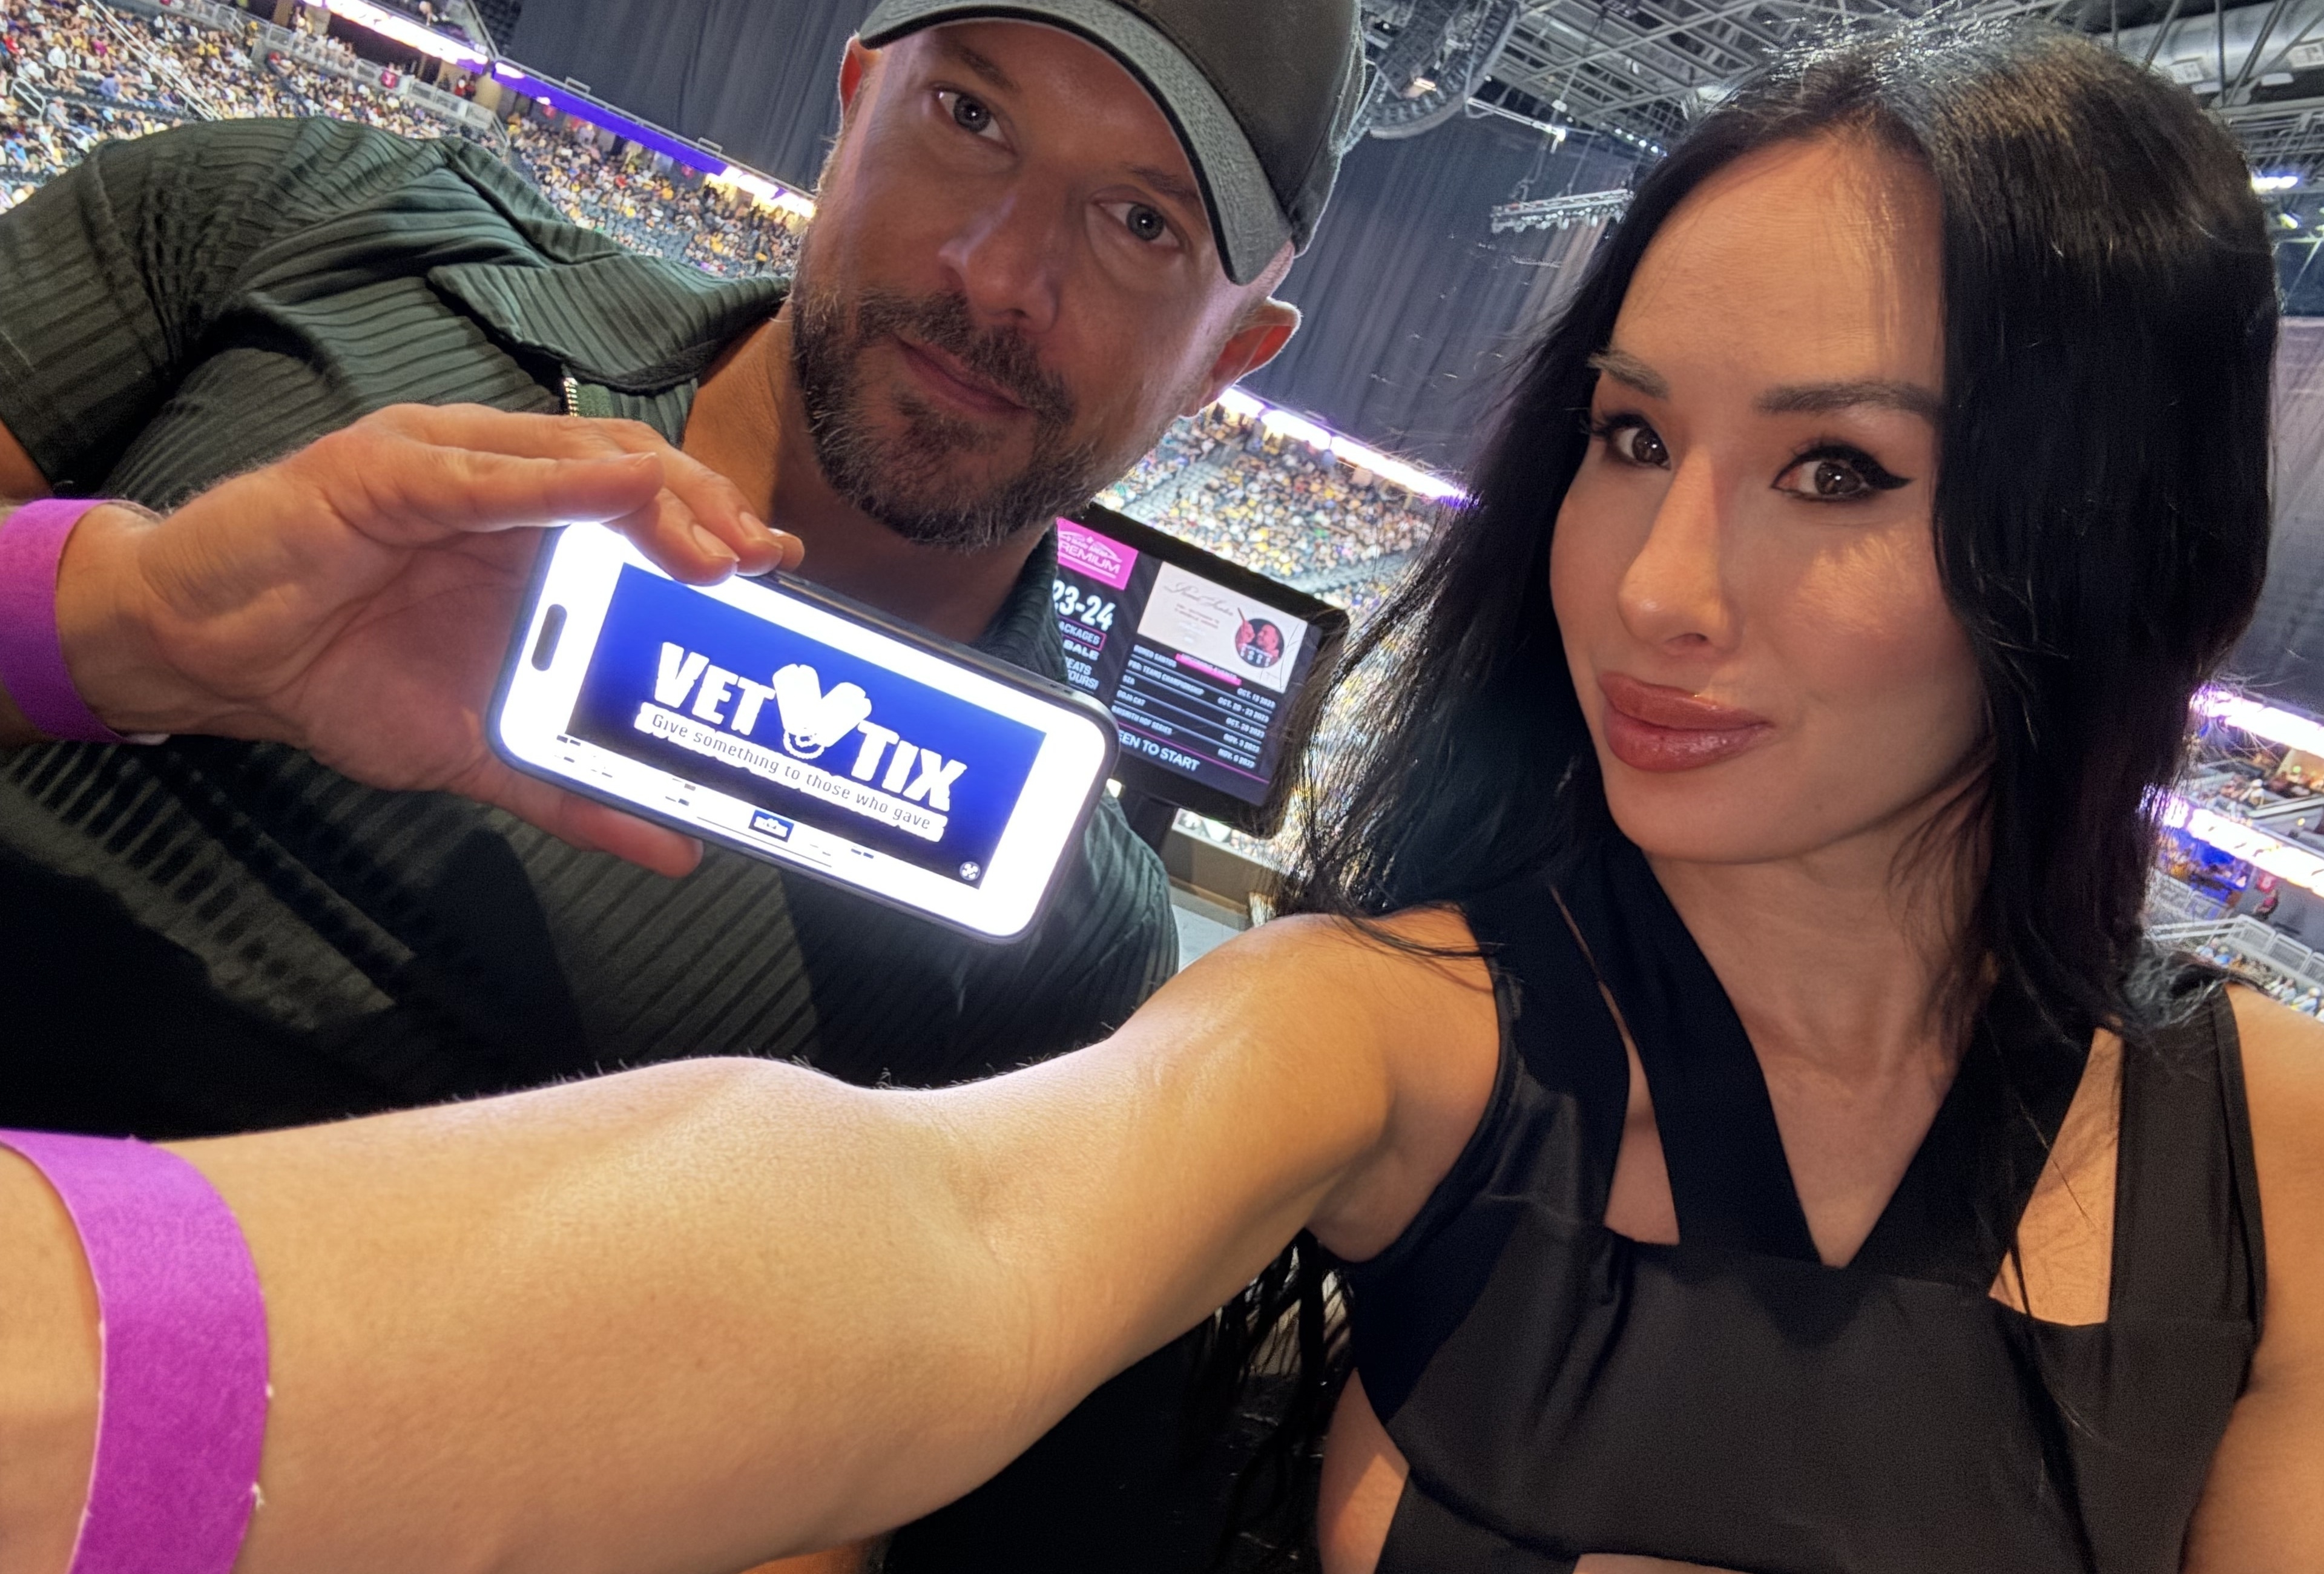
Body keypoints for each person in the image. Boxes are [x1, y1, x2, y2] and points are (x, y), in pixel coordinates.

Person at [0, 18, 2324, 1574]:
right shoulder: (1382, 1027)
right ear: (852, 95)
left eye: (1838, 469)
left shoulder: (2295, 1153)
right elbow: (927, 1236)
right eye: (1630, 436)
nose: (1661, 587)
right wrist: (120, 623)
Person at [0, 1, 1363, 1568]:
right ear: (858, 97)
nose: (996, 271)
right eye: (972, 118)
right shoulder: (308, 224)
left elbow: (837, 1495)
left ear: (1229, 358)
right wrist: (118, 624)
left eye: (1139, 222)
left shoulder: (1070, 941)